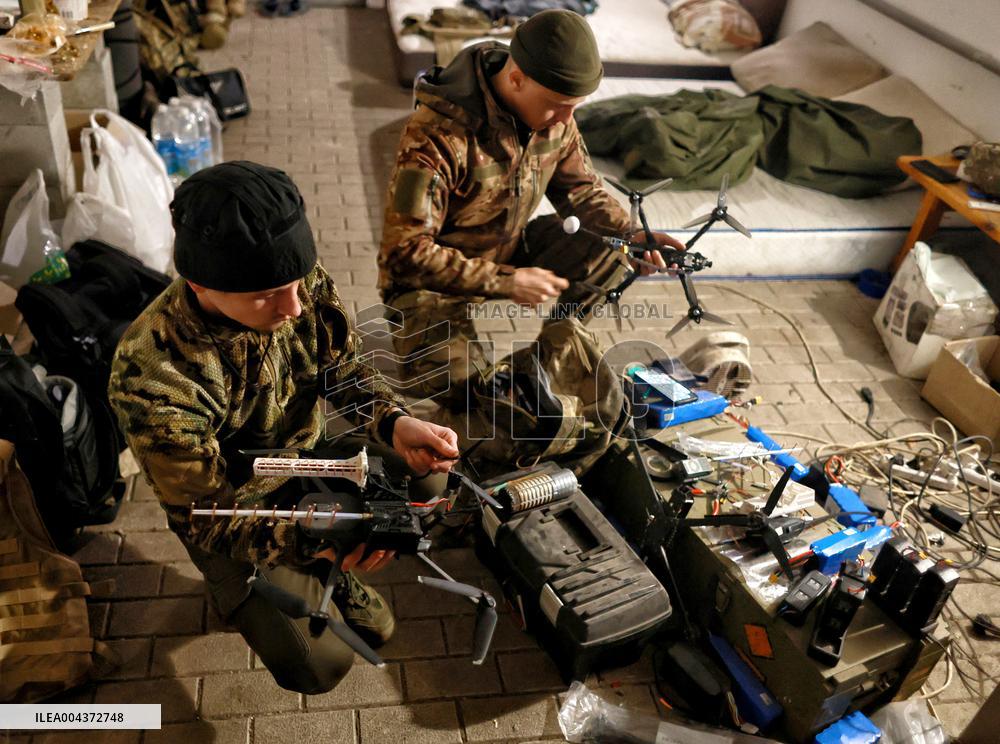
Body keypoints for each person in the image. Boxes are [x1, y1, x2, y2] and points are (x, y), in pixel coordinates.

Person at [109, 161, 459, 694]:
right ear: (201, 284)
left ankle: (326, 575)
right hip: (235, 509)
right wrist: (313, 545)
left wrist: (395, 422)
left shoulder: (294, 283)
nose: (294, 306)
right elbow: (208, 515)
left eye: (296, 283)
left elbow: (342, 371)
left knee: (427, 480)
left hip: (309, 457)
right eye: (268, 295)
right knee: (318, 665)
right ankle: (260, 583)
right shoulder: (154, 374)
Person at [378, 9, 684, 409]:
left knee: (613, 248)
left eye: (575, 105)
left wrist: (630, 235)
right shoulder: (436, 136)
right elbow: (406, 254)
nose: (567, 118)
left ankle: (546, 362)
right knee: (471, 402)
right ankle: (479, 380)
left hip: (506, 249)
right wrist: (508, 281)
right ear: (516, 78)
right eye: (559, 105)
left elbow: (582, 191)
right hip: (428, 285)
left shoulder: (555, 116)